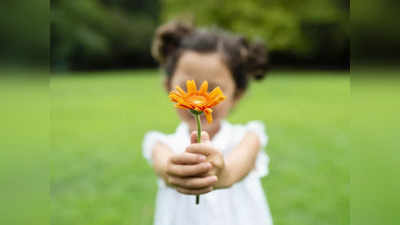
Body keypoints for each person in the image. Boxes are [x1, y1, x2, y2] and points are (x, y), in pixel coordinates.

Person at [142, 21, 273, 225]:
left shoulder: (249, 137)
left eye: (213, 90)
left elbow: (235, 168)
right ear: (169, 88)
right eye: (186, 88)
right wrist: (175, 171)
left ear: (236, 95)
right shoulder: (161, 144)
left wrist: (222, 173)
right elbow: (165, 167)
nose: (199, 98)